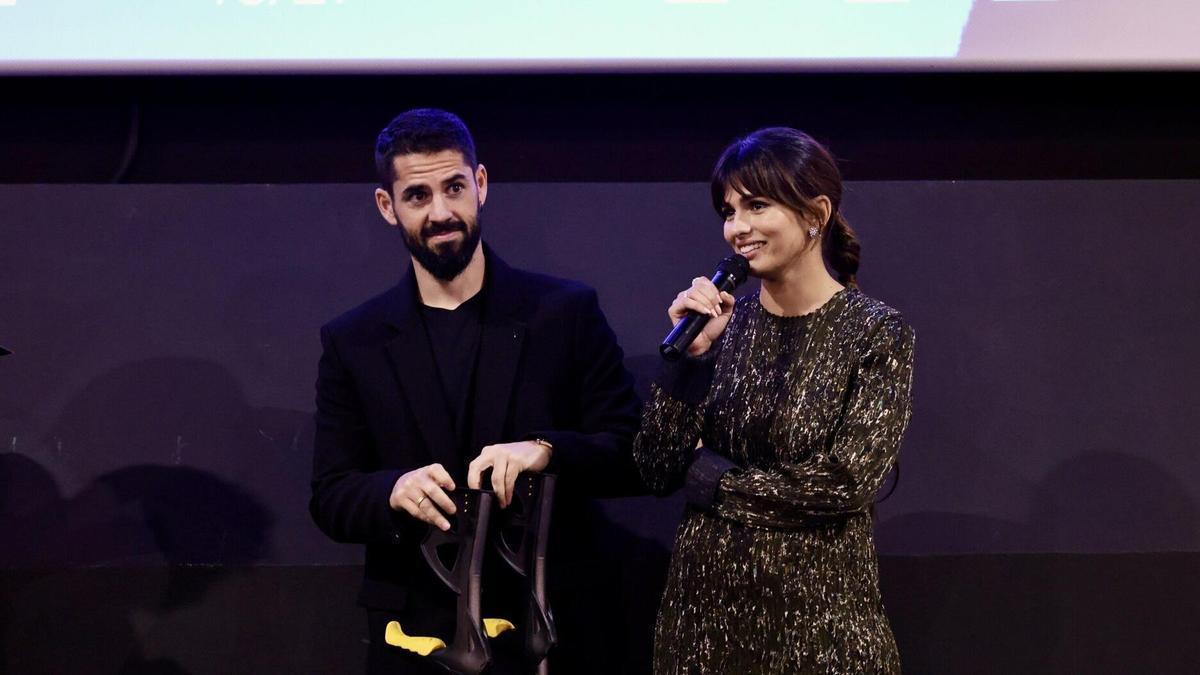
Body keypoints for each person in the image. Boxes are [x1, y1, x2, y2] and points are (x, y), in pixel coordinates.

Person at [309, 108, 641, 674]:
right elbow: (331, 495)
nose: (441, 213)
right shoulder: (352, 340)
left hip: (551, 628)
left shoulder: (565, 313)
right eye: (418, 196)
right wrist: (392, 490)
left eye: (454, 188)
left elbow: (634, 453)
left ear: (480, 185)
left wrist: (547, 450)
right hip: (414, 633)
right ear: (387, 207)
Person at [633, 127, 915, 674]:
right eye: (729, 209)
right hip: (704, 628)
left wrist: (710, 478)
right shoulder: (722, 327)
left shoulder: (876, 333)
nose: (738, 227)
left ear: (816, 213)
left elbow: (842, 484)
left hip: (821, 631)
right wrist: (690, 364)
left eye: (757, 205)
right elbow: (655, 467)